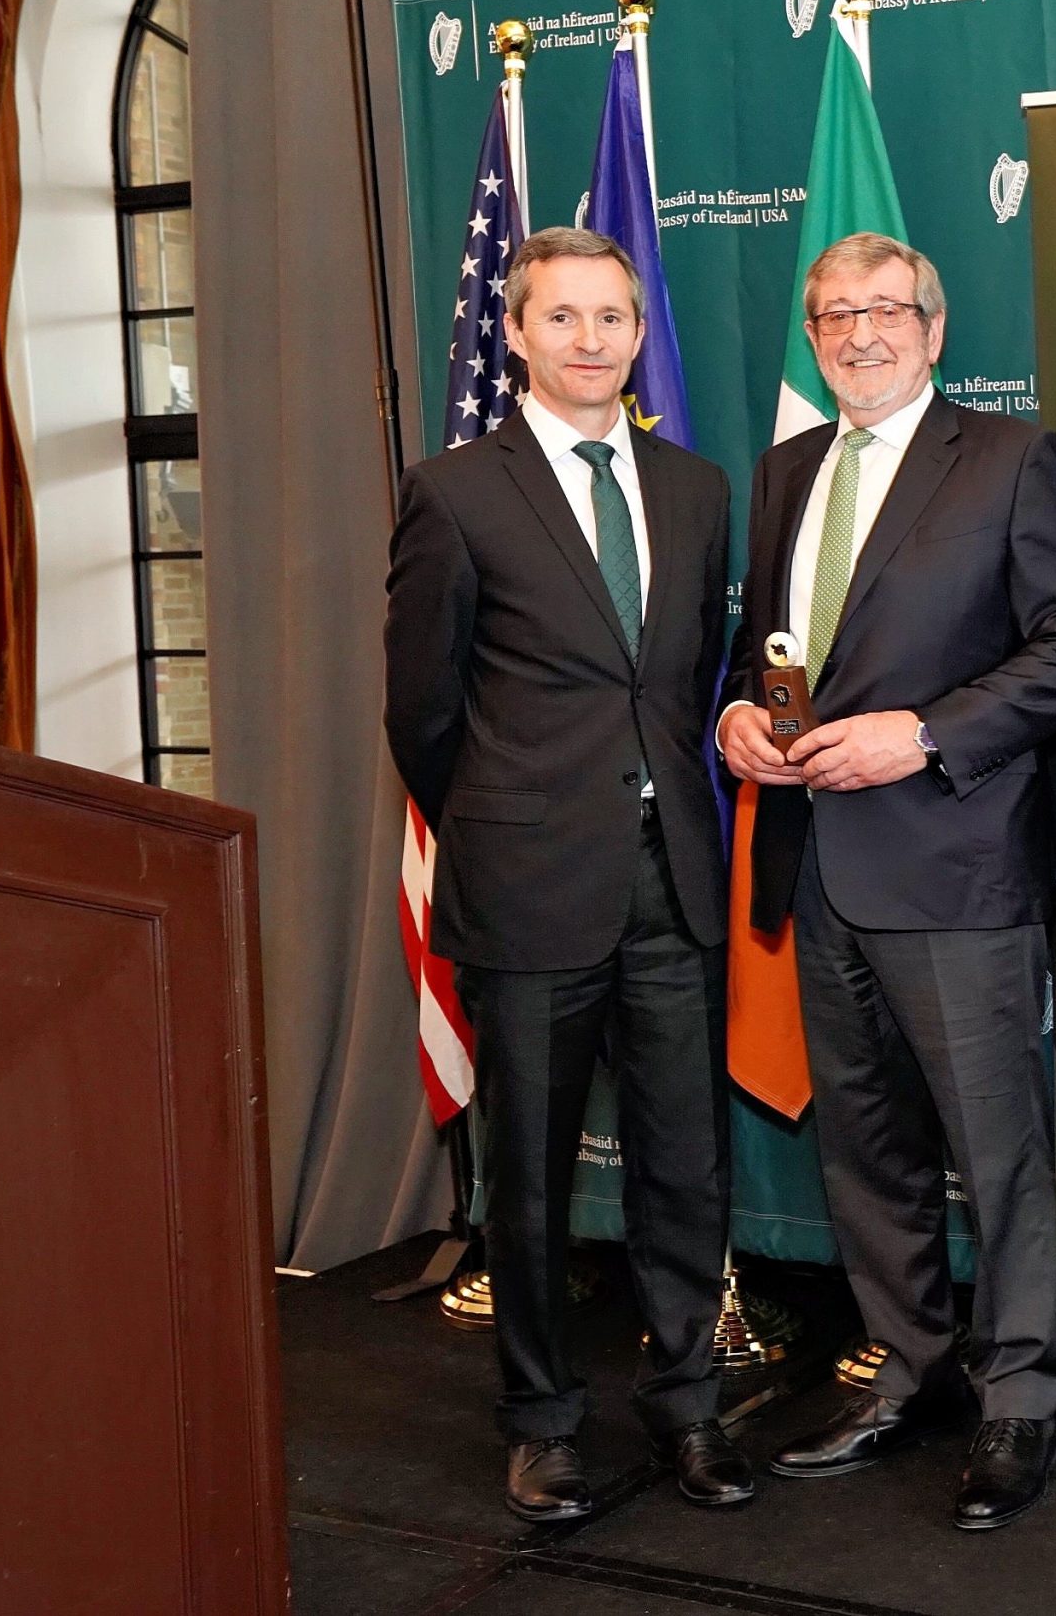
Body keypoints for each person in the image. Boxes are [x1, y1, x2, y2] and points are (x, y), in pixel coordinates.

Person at [717, 232, 1056, 1531]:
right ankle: (909, 1363)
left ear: (936, 331)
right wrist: (733, 720)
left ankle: (1017, 1398)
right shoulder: (783, 472)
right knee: (866, 1151)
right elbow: (762, 648)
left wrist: (924, 732)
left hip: (955, 860)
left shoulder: (1009, 459)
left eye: (886, 311)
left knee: (996, 1155)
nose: (859, 333)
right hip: (814, 864)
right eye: (833, 315)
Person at [384, 226, 751, 1523]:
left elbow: (690, 679)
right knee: (531, 1177)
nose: (591, 339)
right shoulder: (456, 493)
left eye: (614, 317)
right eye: (565, 317)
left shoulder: (698, 490)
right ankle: (541, 1423)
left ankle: (691, 1407)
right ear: (519, 333)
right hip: (531, 888)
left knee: (684, 1166)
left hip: (675, 885)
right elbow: (422, 717)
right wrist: (506, 828)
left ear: (639, 334)